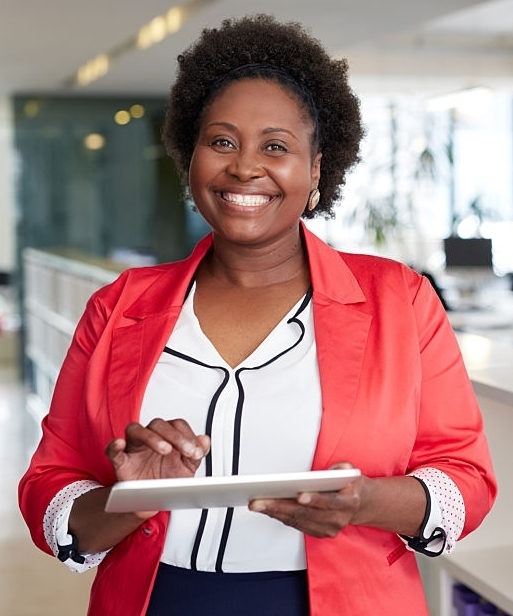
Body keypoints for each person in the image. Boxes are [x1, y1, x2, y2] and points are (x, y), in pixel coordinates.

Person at [19, 14, 496, 616]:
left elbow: (466, 481)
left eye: (276, 146)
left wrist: (366, 501)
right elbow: (50, 486)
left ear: (317, 169)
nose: (245, 167)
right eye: (221, 141)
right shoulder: (117, 307)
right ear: (190, 158)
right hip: (157, 599)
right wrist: (130, 497)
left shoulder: (399, 300)